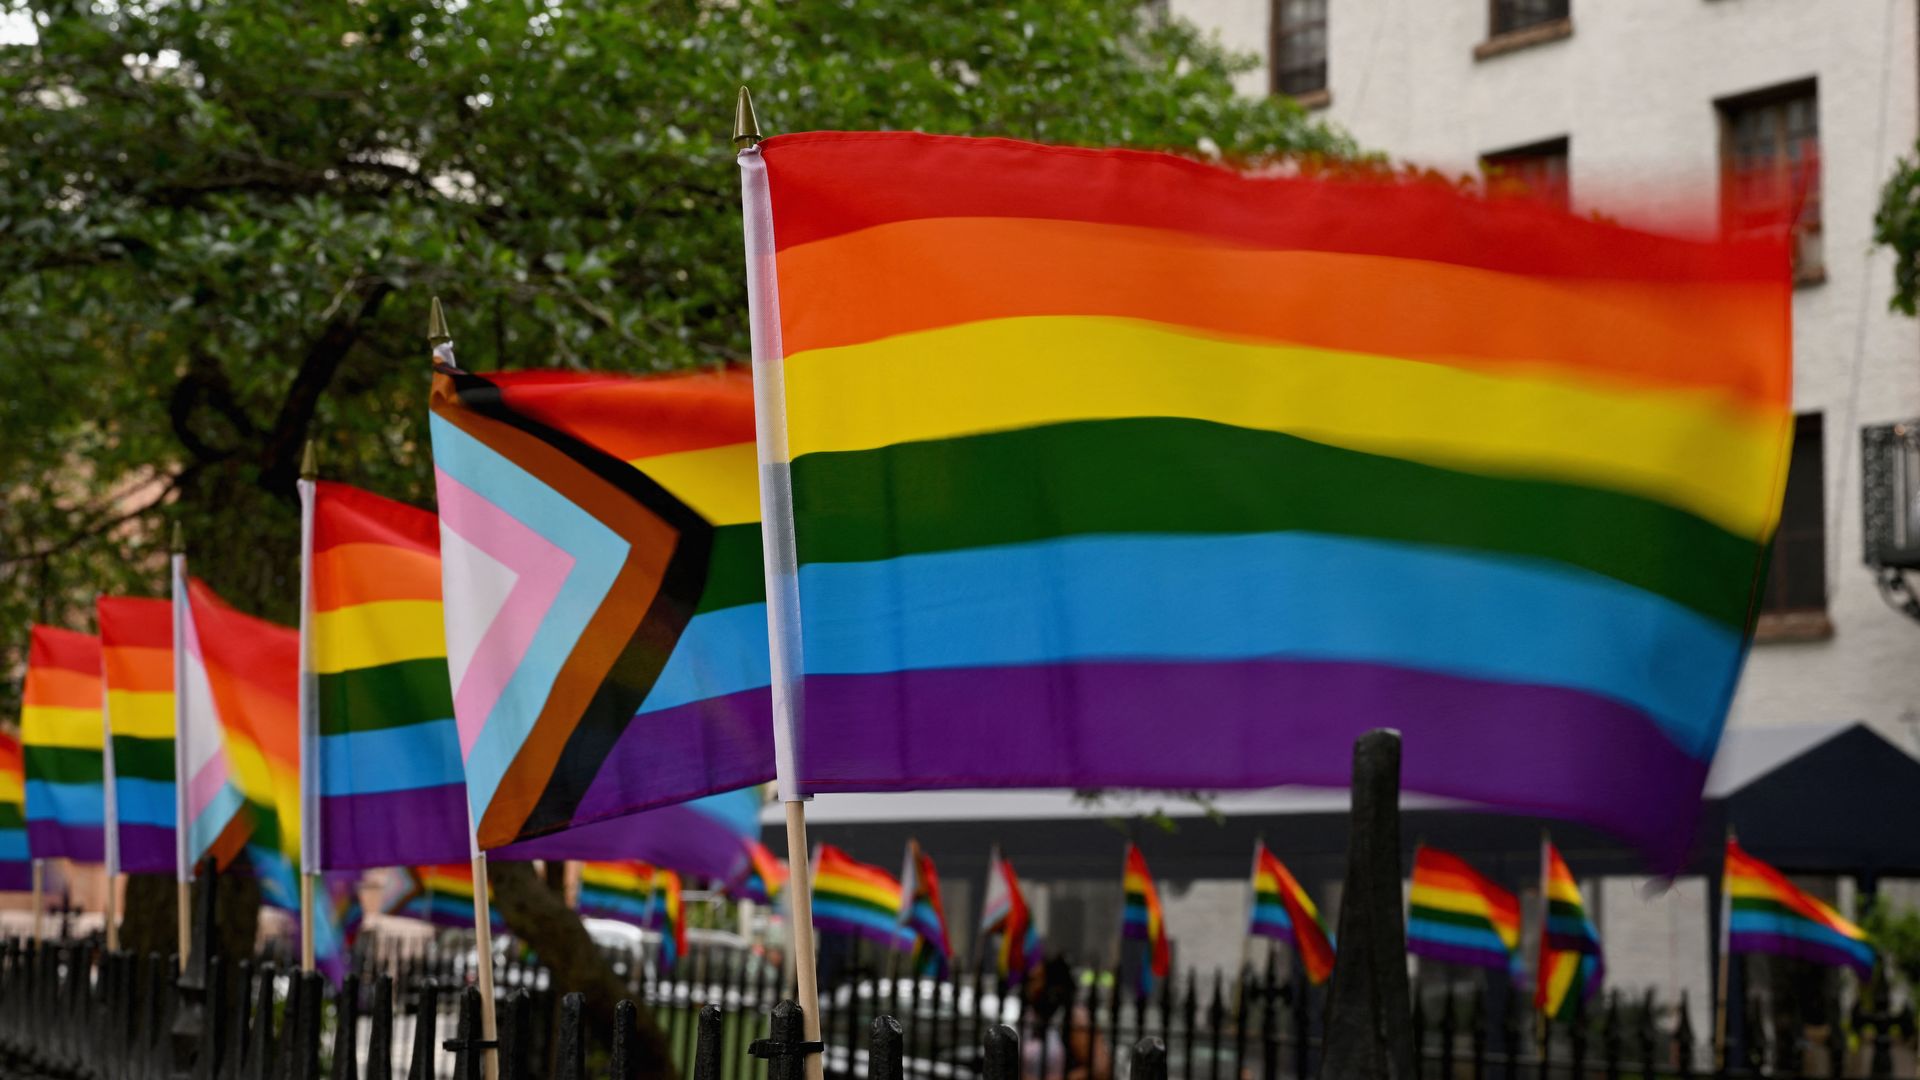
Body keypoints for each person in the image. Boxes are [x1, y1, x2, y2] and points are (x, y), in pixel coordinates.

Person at [1022, 955, 1113, 1080]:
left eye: (1036, 980)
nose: (1030, 988)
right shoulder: (1031, 1016)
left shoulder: (1072, 1017)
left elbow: (1101, 1069)